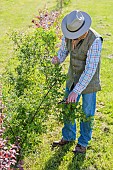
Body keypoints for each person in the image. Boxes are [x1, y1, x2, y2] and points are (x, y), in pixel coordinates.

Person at [52, 10, 103, 154]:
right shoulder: (69, 33)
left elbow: (89, 71)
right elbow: (63, 51)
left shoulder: (95, 41)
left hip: (89, 81)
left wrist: (76, 91)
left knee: (87, 112)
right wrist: (58, 59)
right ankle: (68, 136)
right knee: (68, 108)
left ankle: (83, 143)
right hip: (72, 77)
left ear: (84, 29)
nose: (72, 38)